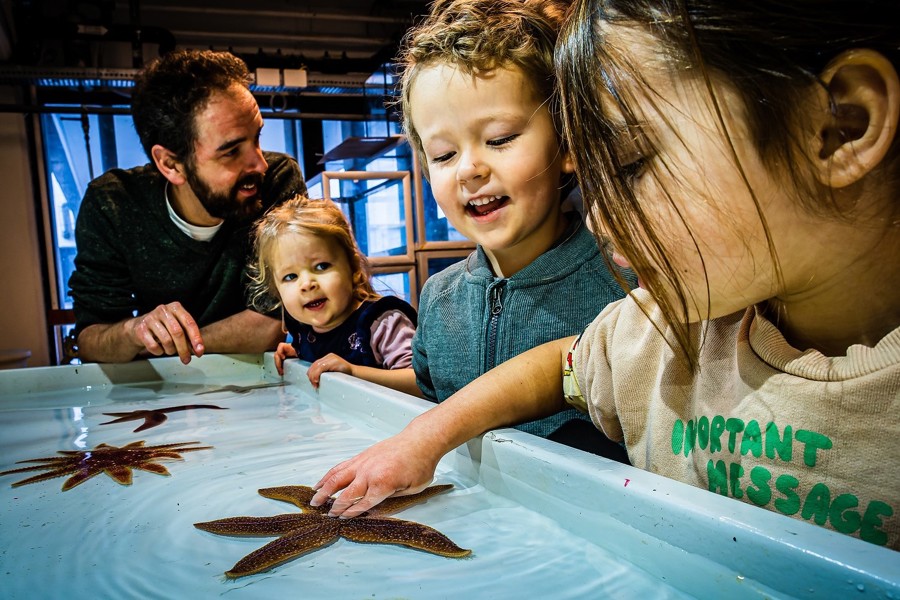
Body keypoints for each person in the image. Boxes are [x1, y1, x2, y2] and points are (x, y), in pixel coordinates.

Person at [311, 0, 900, 550]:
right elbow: (561, 362)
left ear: (838, 125)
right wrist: (424, 439)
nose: (601, 218)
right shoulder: (656, 329)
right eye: (441, 155)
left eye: (629, 163)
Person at [400, 0, 632, 456]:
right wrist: (351, 374)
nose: (468, 169)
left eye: (500, 139)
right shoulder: (438, 296)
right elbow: (431, 395)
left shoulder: (626, 280)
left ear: (567, 141)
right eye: (443, 154)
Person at [68, 49, 305, 364]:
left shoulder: (277, 180)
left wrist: (167, 346)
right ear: (171, 165)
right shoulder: (113, 203)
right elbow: (91, 341)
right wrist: (135, 330)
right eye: (231, 151)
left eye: (257, 138)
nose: (259, 163)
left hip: (257, 384)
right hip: (157, 402)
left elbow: (274, 322)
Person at [248, 195, 420, 394]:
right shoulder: (304, 331)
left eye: (321, 266)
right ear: (276, 290)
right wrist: (300, 355)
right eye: (290, 276)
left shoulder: (382, 324)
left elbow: (419, 382)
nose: (306, 284)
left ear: (354, 268)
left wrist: (354, 372)